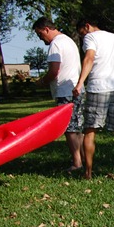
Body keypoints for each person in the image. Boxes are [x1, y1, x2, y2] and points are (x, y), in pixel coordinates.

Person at [72, 19, 114, 180]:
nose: (83, 37)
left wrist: (80, 83)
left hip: (97, 88)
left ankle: (88, 173)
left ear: (87, 26)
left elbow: (89, 58)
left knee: (90, 131)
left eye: (82, 33)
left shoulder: (91, 37)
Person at [33, 17, 84, 172]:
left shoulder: (55, 44)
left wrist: (42, 82)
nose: (40, 38)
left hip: (65, 91)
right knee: (77, 127)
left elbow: (54, 71)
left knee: (69, 129)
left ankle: (77, 163)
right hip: (77, 89)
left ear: (46, 29)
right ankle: (84, 159)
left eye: (40, 34)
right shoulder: (69, 41)